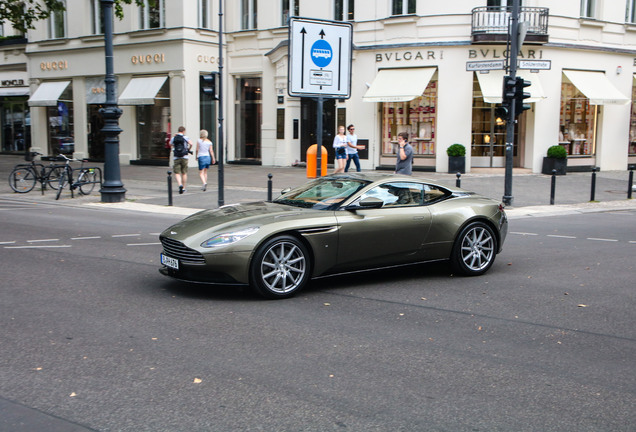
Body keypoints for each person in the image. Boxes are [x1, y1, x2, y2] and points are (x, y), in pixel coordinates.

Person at [170, 126, 193, 194]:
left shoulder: (174, 138)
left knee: (177, 173)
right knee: (184, 172)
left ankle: (179, 184)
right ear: (183, 131)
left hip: (176, 157)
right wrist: (189, 149)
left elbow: (170, 144)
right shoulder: (185, 137)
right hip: (184, 156)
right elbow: (191, 143)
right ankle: (183, 187)